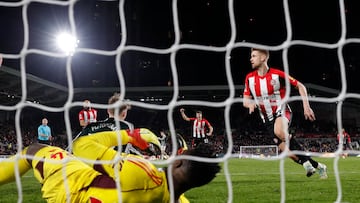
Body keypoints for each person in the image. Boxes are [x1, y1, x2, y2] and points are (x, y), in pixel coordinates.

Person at [0, 128, 220, 203]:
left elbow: (81, 146)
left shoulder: (143, 174)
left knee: (33, 150)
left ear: (179, 161)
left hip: (71, 190)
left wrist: (129, 135)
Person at [242, 48, 328, 179]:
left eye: (254, 56)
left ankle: (306, 163)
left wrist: (306, 106)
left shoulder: (277, 74)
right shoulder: (249, 78)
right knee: (290, 155)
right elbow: (245, 101)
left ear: (263, 58)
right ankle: (318, 166)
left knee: (279, 131)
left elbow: (301, 86)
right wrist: (250, 104)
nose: (250, 59)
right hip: (266, 119)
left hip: (281, 110)